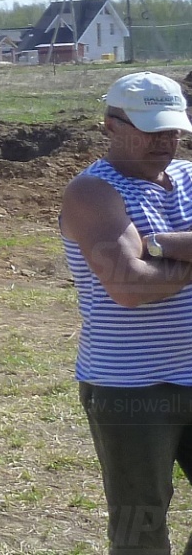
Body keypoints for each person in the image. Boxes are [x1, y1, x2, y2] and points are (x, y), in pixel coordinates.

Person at [60, 71, 192, 554]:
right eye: (150, 129)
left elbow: (141, 269)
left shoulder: (188, 177)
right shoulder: (92, 192)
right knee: (141, 524)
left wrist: (155, 245)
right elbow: (128, 286)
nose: (165, 141)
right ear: (111, 125)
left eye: (173, 129)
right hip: (132, 387)